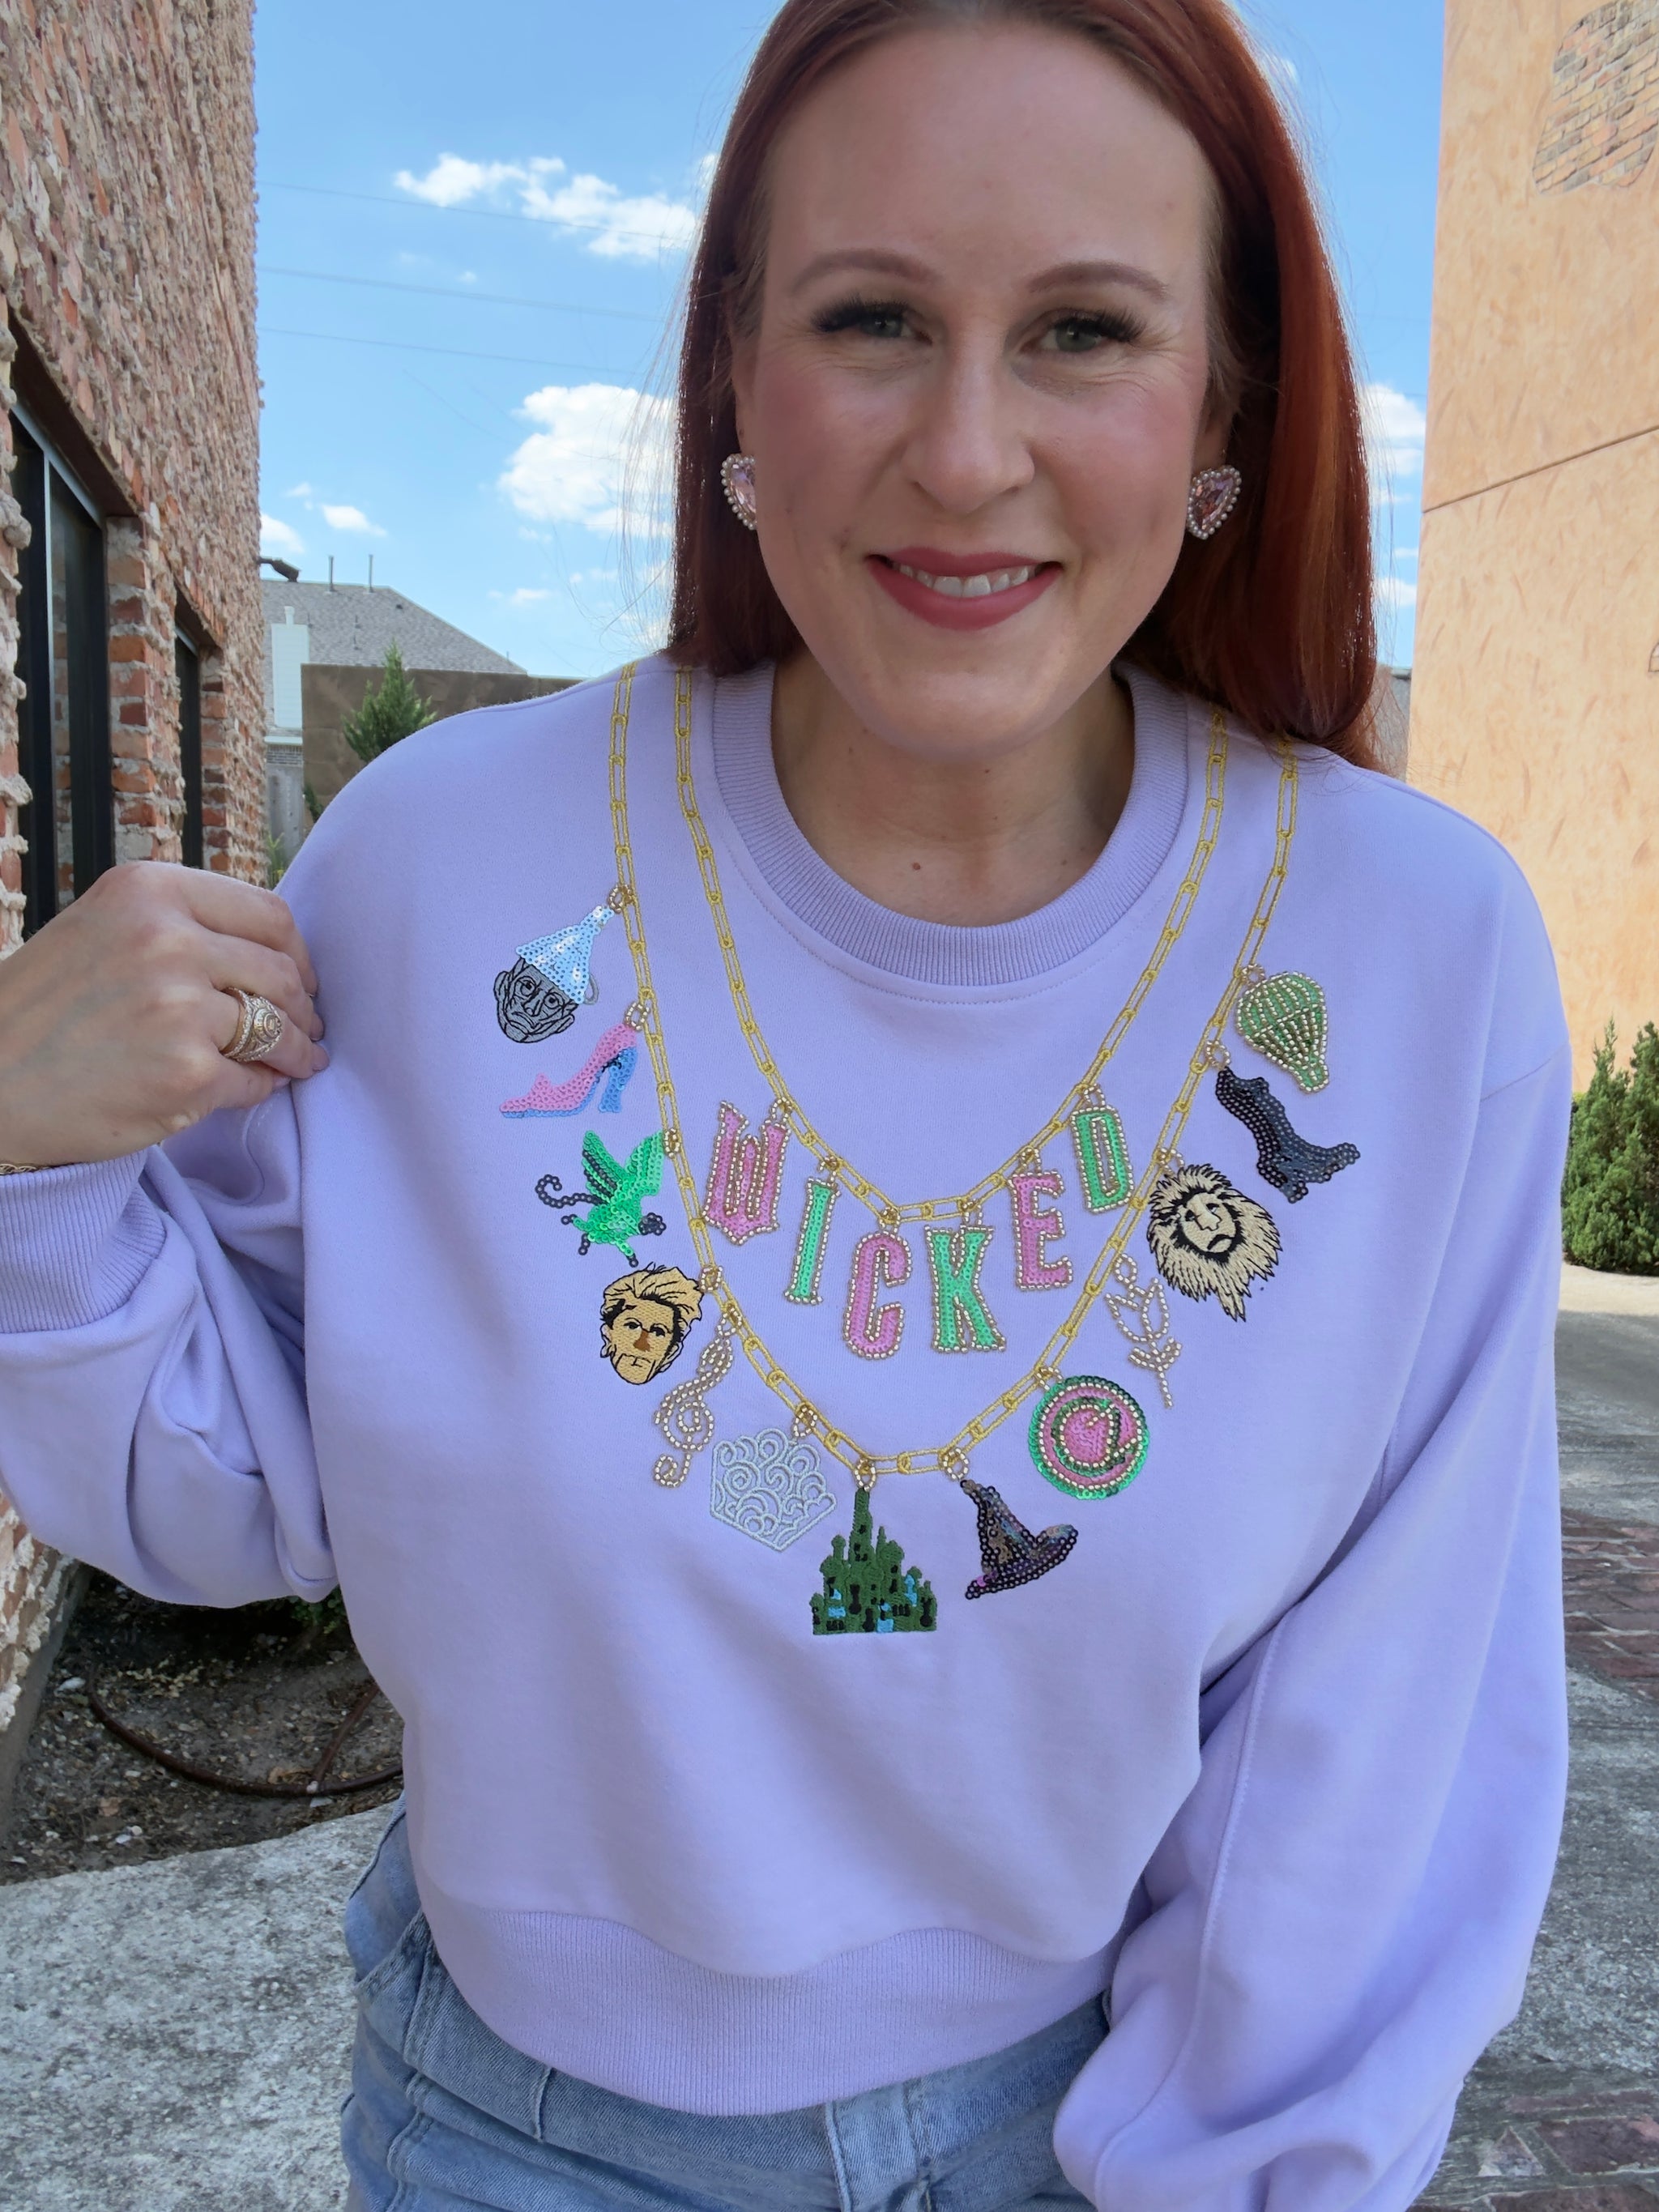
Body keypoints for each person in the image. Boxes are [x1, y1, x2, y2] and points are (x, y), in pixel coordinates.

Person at [0, 2, 1572, 2206]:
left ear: (1228, 402)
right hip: (504, 2140)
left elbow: (1389, 1719)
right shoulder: (439, 869)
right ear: (737, 369)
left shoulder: (1414, 957)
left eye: (1085, 331)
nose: (966, 452)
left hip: (1093, 2127)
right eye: (873, 318)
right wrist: (28, 1157)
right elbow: (241, 1480)